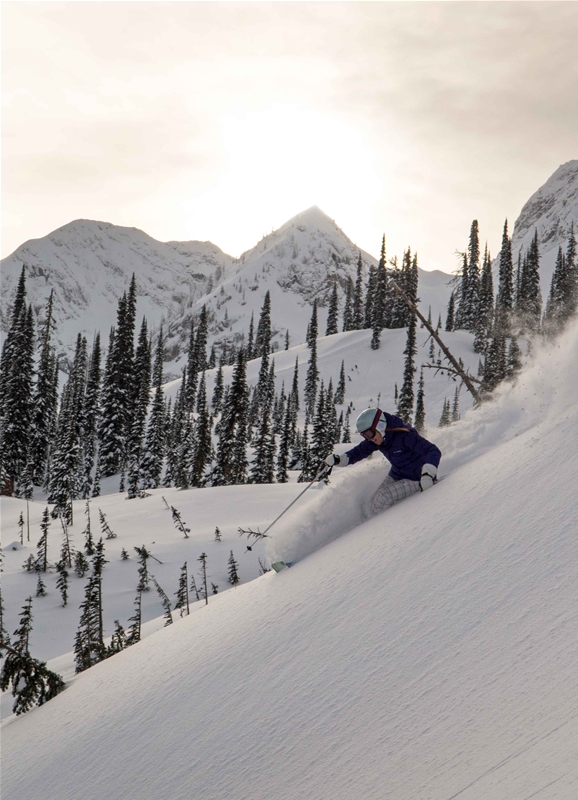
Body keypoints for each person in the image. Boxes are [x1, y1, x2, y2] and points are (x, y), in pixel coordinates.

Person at [325, 408, 442, 517]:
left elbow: (432, 451)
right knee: (373, 500)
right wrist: (339, 460)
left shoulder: (405, 436)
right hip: (398, 474)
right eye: (365, 436)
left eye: (369, 434)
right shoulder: (378, 439)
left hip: (418, 479)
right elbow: (358, 452)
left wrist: (427, 474)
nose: (369, 439)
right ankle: (365, 522)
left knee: (383, 497)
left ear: (380, 425)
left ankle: (375, 528)